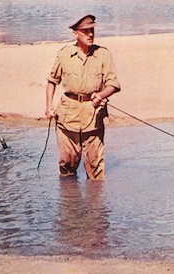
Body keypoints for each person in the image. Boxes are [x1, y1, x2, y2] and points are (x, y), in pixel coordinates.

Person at [45, 14, 120, 180]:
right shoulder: (64, 54)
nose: (90, 34)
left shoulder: (103, 54)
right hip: (67, 116)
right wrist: (48, 106)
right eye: (86, 31)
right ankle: (70, 202)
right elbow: (52, 81)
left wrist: (101, 94)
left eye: (92, 30)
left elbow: (113, 84)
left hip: (93, 115)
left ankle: (96, 204)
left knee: (95, 167)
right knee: (67, 162)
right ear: (75, 33)